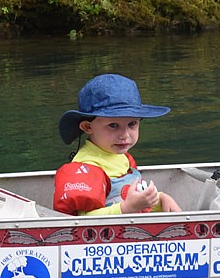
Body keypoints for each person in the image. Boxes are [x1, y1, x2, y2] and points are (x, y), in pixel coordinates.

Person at [53, 73, 182, 216]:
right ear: (88, 127)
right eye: (113, 125)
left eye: (132, 123)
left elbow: (128, 197)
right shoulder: (87, 166)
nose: (125, 135)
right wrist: (126, 208)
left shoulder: (119, 155)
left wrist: (160, 199)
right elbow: (85, 221)